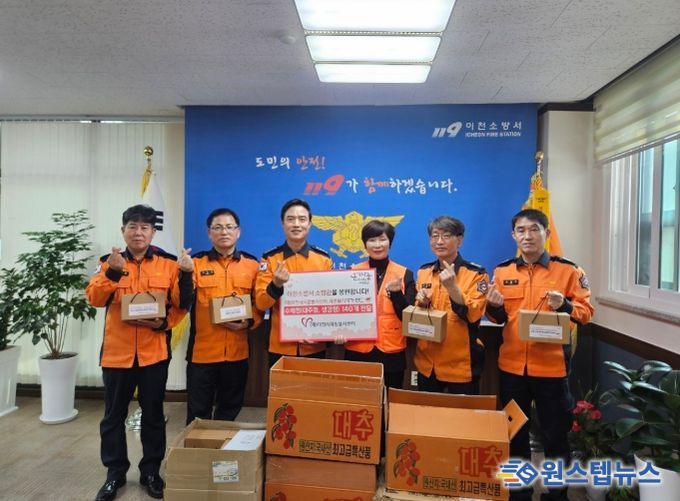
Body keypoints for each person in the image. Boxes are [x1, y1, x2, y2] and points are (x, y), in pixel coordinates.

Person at [85, 204, 193, 501]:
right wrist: (113, 271)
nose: (138, 232)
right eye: (132, 226)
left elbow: (181, 305)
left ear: (153, 232)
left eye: (145, 227)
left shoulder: (169, 264)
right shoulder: (109, 262)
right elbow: (94, 299)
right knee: (113, 417)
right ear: (123, 231)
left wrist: (164, 323)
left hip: (153, 354)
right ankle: (115, 473)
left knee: (154, 415)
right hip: (116, 354)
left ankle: (151, 472)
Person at [485, 208, 594, 501]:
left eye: (534, 229)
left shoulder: (568, 271)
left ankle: (557, 495)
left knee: (555, 438)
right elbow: (500, 318)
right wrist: (493, 306)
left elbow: (586, 313)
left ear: (546, 233)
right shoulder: (503, 271)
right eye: (521, 230)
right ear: (513, 235)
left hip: (552, 369)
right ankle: (519, 494)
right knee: (515, 436)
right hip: (512, 369)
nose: (528, 236)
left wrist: (565, 306)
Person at [186, 208, 262, 424]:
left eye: (229, 227)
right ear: (209, 233)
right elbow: (181, 301)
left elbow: (259, 304)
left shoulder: (252, 265)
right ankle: (197, 446)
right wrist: (184, 273)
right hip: (203, 354)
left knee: (229, 411)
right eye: (218, 227)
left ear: (238, 232)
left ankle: (222, 445)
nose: (224, 232)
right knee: (198, 413)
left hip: (237, 354)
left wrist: (249, 322)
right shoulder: (195, 263)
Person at [414, 215, 489, 394]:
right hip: (427, 363)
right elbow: (417, 314)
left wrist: (452, 288)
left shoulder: (476, 274)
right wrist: (421, 301)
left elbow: (473, 315)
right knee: (427, 410)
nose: (439, 241)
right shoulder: (424, 271)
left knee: (462, 411)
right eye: (435, 236)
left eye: (446, 236)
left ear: (459, 240)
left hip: (461, 363)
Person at [255, 198, 333, 367]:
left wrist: (324, 334)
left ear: (310, 224)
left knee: (314, 385)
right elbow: (261, 303)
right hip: (280, 345)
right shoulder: (270, 258)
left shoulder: (323, 259)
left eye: (302, 219)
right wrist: (276, 285)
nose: (296, 224)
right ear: (282, 224)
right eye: (290, 219)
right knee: (281, 385)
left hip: (314, 344)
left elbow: (331, 303)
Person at [344, 220, 415, 389]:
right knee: (358, 399)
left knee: (389, 399)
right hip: (358, 350)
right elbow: (342, 311)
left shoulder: (405, 274)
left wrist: (397, 294)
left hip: (391, 351)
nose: (377, 245)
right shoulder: (351, 272)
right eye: (372, 240)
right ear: (365, 244)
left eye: (382, 239)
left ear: (390, 242)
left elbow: (409, 317)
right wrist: (340, 331)